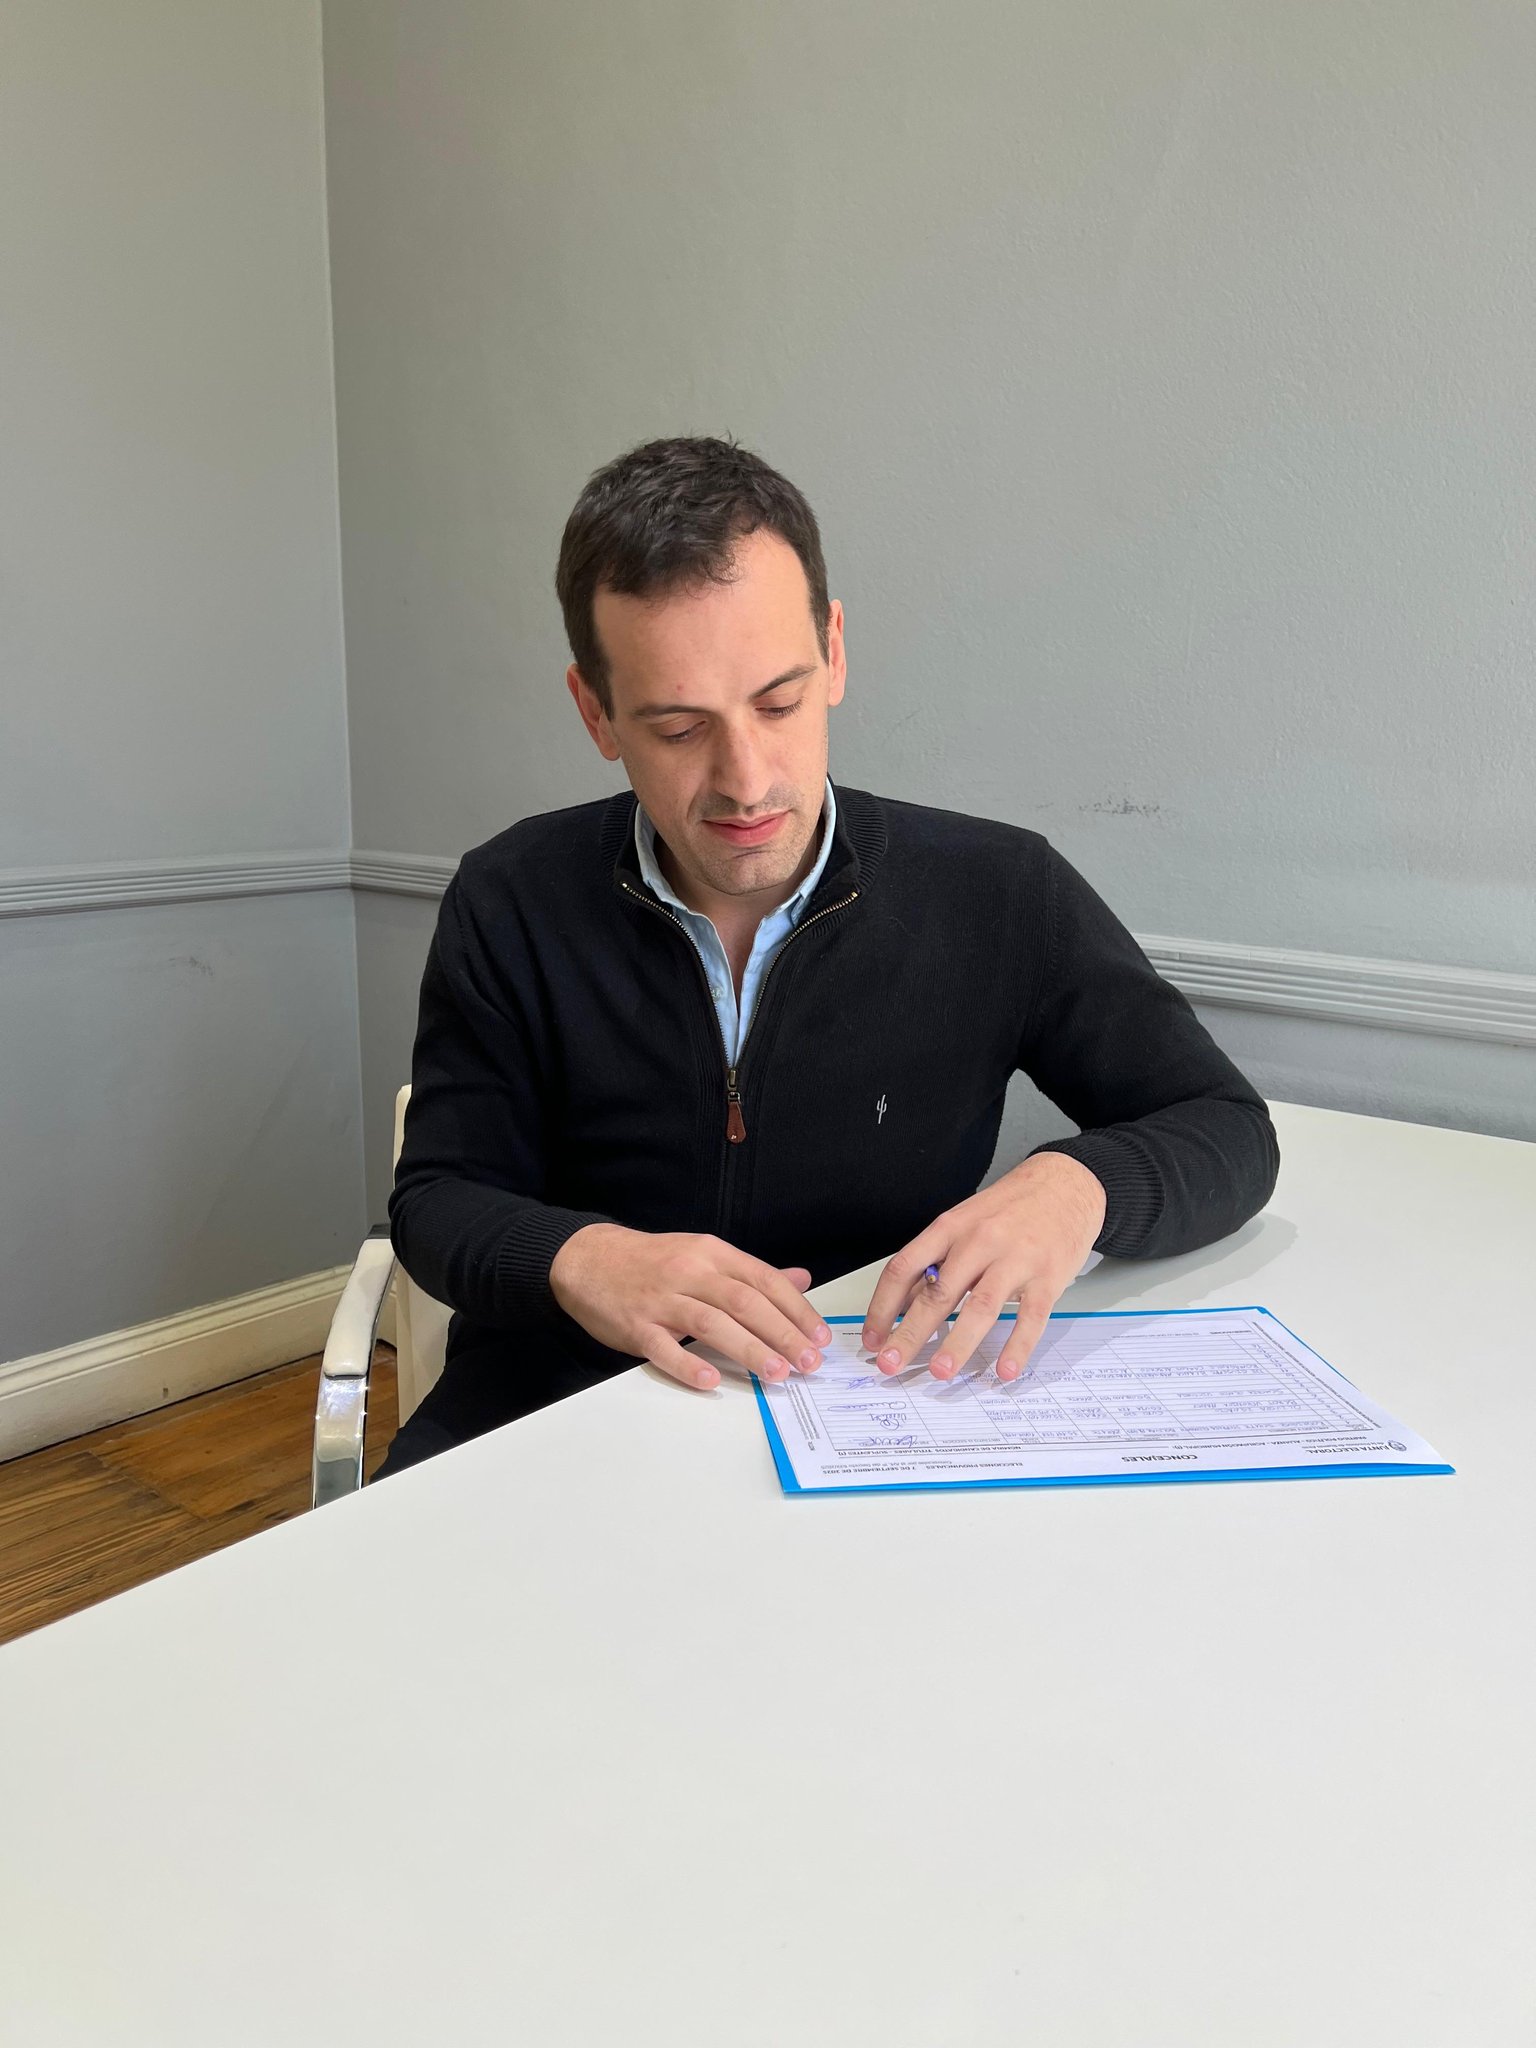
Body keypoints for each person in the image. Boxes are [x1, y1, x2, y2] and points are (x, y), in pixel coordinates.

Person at [379, 436, 1278, 1474]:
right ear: (597, 712)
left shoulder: (1000, 890)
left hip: (872, 1406)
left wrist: (1081, 1187)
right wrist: (582, 1258)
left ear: (834, 652)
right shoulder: (511, 896)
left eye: (779, 702)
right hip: (546, 1408)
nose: (746, 780)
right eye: (678, 728)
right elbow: (439, 1197)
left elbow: (1227, 1127)